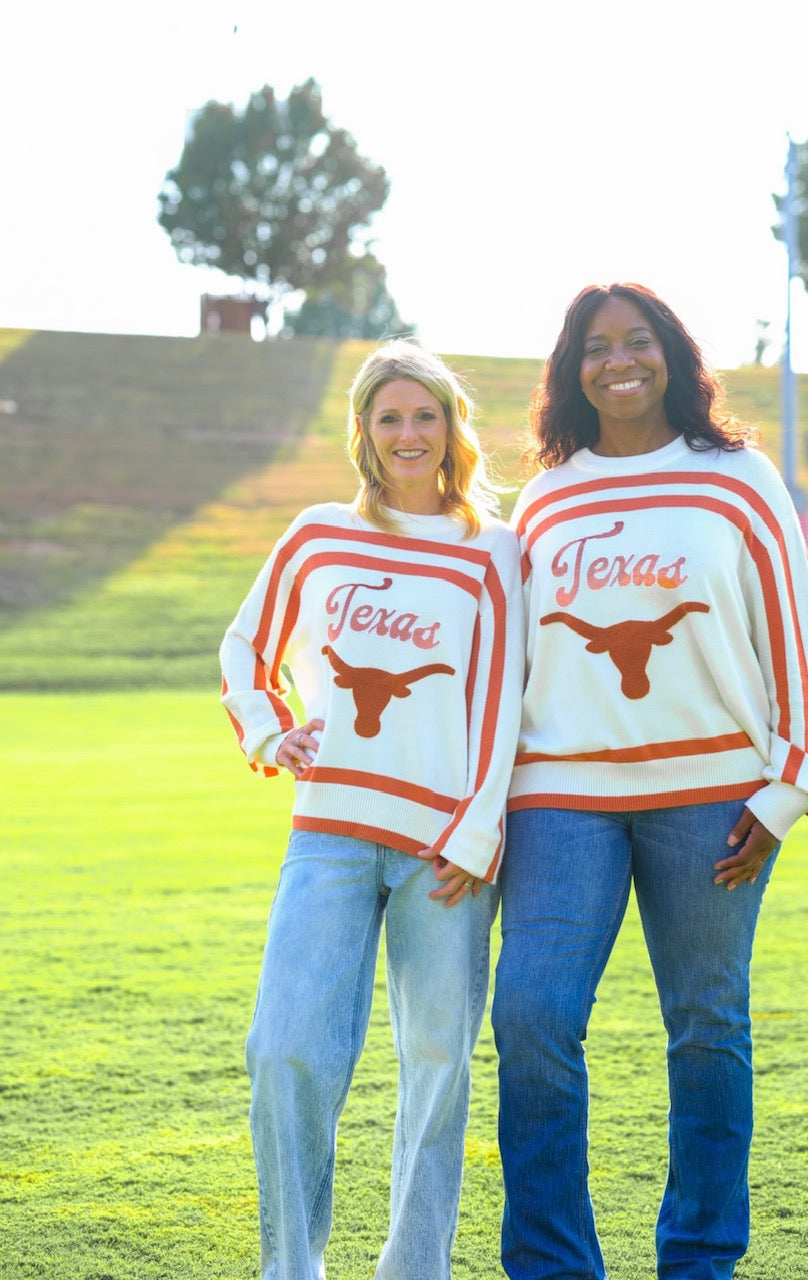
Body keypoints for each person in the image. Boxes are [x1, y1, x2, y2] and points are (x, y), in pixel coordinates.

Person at [491, 283, 808, 1280]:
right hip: (559, 796)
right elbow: (513, 657)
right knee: (531, 1015)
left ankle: (697, 1260)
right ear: (572, 368)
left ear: (671, 357)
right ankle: (552, 1264)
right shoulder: (549, 493)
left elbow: (793, 637)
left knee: (704, 1025)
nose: (616, 361)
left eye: (635, 341)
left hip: (712, 799)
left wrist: (787, 785)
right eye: (594, 346)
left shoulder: (738, 479)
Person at [220, 339, 524, 1280]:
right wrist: (274, 732)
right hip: (330, 837)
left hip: (445, 850)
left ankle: (414, 1267)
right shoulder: (318, 533)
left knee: (438, 1064)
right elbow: (245, 647)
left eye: (424, 415)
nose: (407, 433)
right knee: (285, 1049)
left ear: (450, 429)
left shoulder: (493, 553)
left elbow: (503, 697)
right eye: (388, 417)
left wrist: (476, 834)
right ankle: (291, 1267)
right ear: (363, 431)